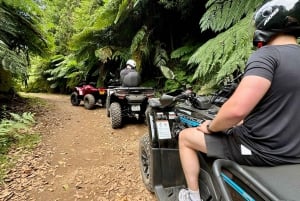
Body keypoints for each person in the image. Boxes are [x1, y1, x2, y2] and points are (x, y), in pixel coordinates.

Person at [178, 1, 300, 200]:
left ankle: (192, 195)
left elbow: (236, 111)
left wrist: (211, 127)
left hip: (263, 151)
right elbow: (281, 105)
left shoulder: (267, 56)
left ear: (266, 22)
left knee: (185, 137)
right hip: (295, 150)